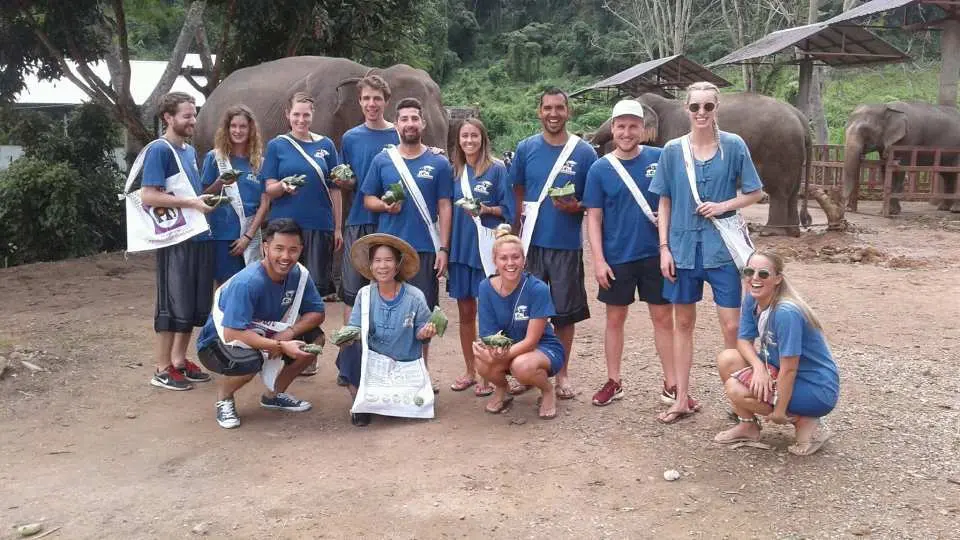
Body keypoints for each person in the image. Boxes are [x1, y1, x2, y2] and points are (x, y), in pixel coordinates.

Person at [649, 81, 765, 424]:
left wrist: (724, 205)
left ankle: (742, 402)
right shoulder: (672, 150)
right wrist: (664, 248)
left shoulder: (733, 146)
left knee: (732, 325)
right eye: (695, 106)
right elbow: (664, 200)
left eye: (708, 107)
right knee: (682, 322)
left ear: (717, 109)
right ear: (686, 109)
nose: (701, 113)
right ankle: (681, 398)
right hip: (683, 249)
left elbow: (755, 192)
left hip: (721, 251)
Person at [583, 100, 675, 408]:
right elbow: (593, 217)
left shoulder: (660, 158)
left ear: (644, 129)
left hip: (655, 253)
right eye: (620, 126)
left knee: (663, 318)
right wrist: (598, 260)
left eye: (633, 126)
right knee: (614, 319)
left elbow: (671, 201)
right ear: (612, 129)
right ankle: (614, 380)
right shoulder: (600, 168)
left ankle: (672, 384)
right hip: (617, 255)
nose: (626, 132)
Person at [195, 219, 326, 429]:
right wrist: (278, 346)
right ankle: (224, 397)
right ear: (266, 247)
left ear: (301, 249)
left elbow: (317, 312)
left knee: (315, 339)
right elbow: (231, 333)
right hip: (217, 344)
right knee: (250, 359)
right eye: (279, 249)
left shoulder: (299, 274)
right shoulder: (248, 282)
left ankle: (274, 395)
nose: (286, 257)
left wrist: (288, 333)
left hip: (265, 334)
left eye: (293, 250)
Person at [510, 88, 598, 399]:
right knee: (526, 310)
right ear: (539, 112)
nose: (553, 113)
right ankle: (524, 367)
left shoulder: (585, 153)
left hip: (566, 244)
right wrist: (514, 232)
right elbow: (517, 190)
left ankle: (562, 373)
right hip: (530, 244)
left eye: (559, 108)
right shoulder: (525, 149)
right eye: (547, 107)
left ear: (568, 112)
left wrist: (577, 206)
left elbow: (593, 199)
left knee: (564, 312)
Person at [360, 97, 452, 387]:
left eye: (415, 118)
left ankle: (420, 374)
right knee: (384, 313)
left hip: (424, 248)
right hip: (388, 250)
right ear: (396, 124)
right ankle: (385, 374)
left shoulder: (438, 163)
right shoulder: (382, 160)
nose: (410, 124)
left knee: (422, 316)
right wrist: (384, 206)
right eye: (404, 119)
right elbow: (368, 198)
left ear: (423, 123)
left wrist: (444, 248)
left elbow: (445, 206)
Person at [714, 251, 840, 456]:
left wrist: (780, 412)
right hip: (779, 370)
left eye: (763, 274)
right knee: (728, 359)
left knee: (735, 388)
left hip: (815, 386)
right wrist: (758, 368)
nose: (754, 278)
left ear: (777, 279)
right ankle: (747, 426)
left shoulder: (785, 312)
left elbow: (790, 369)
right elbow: (743, 341)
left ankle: (804, 420)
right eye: (749, 271)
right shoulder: (752, 299)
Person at [140, 91, 216, 391]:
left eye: (194, 114)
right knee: (173, 302)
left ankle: (179, 360)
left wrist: (207, 195)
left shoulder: (187, 150)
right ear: (168, 118)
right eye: (187, 115)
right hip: (176, 240)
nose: (193, 120)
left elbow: (191, 195)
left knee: (193, 302)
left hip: (198, 235)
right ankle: (162, 367)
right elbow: (149, 195)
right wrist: (193, 203)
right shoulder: (160, 150)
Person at [262, 92, 342, 375]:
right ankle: (278, 349)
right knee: (284, 288)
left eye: (306, 114)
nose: (301, 119)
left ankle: (308, 353)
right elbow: (268, 187)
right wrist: (282, 186)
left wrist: (338, 226)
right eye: (296, 114)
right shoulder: (277, 146)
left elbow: (336, 186)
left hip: (319, 225)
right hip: (285, 229)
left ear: (313, 115)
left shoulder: (326, 145)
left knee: (311, 291)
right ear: (288, 115)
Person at [334, 75, 401, 387]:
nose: (371, 104)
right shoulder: (350, 138)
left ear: (385, 101)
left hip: (389, 224)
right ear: (359, 101)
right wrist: (344, 182)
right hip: (357, 221)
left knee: (389, 293)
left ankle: (389, 360)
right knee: (352, 293)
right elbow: (344, 181)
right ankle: (349, 362)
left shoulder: (398, 134)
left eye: (377, 98)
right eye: (366, 99)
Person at [336, 233, 438, 426]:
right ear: (371, 265)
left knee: (412, 407)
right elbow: (355, 328)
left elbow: (421, 332)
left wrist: (425, 333)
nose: (383, 266)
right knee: (349, 350)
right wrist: (345, 336)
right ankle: (359, 402)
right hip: (373, 363)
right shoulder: (364, 295)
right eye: (377, 261)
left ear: (398, 264)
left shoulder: (415, 297)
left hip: (403, 364)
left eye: (388, 260)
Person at [448, 118, 511, 397]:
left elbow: (508, 209)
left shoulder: (497, 170)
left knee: (491, 314)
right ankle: (470, 370)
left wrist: (485, 208)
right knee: (465, 313)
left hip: (486, 250)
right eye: (464, 136)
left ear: (483, 139)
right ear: (458, 140)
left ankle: (492, 372)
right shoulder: (454, 171)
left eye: (474, 136)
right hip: (460, 250)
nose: (469, 141)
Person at [474, 229, 565, 420]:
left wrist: (498, 357)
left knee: (521, 366)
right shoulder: (485, 287)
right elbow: (488, 333)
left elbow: (532, 341)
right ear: (495, 261)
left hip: (542, 348)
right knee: (481, 361)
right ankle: (502, 389)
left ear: (524, 259)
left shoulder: (537, 288)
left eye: (515, 257)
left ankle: (547, 390)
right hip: (507, 347)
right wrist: (493, 351)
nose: (510, 263)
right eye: (503, 258)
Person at [199, 104, 271, 284]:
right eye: (233, 126)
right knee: (225, 286)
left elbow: (264, 203)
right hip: (222, 234)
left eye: (242, 126)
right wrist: (220, 183)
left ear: (251, 129)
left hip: (250, 235)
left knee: (251, 285)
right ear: (227, 128)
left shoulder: (259, 163)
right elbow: (202, 197)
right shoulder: (215, 158)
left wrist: (248, 236)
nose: (237, 131)